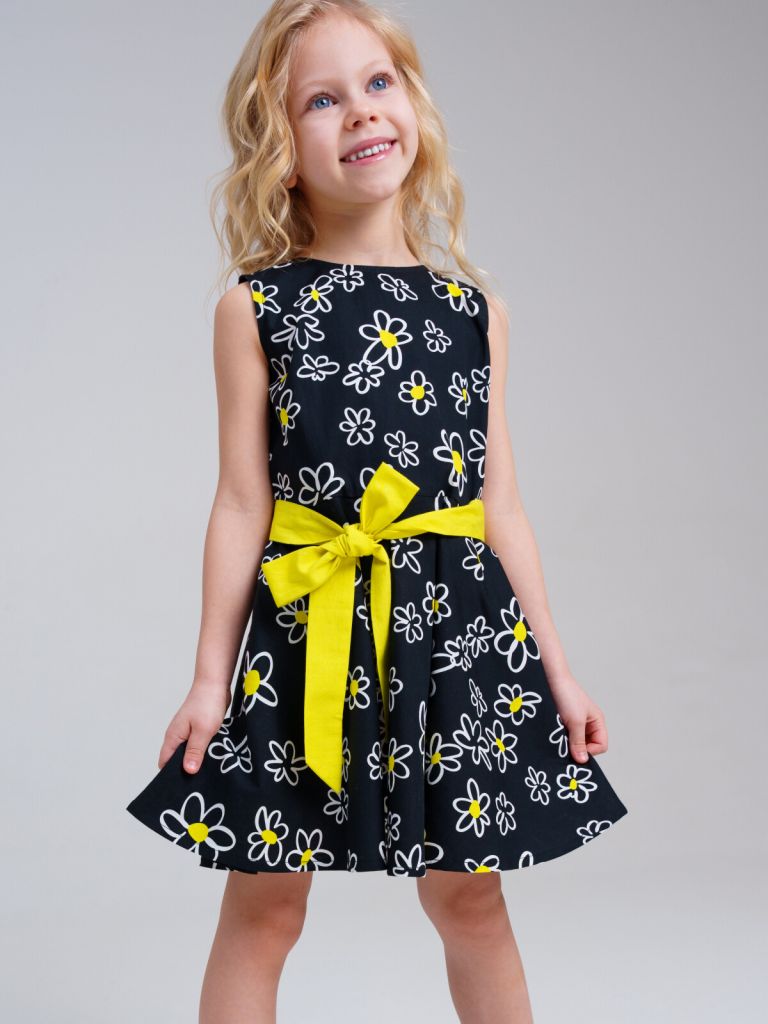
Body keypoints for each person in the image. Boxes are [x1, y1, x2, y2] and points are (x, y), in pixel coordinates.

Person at [126, 1, 629, 1020]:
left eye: (377, 82)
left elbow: (500, 506)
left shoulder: (472, 313)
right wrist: (209, 679)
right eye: (322, 99)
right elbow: (241, 503)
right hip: (308, 624)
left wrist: (558, 667)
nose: (359, 111)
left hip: (452, 632)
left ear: (413, 106)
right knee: (266, 905)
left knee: (471, 897)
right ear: (280, 150)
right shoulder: (255, 309)